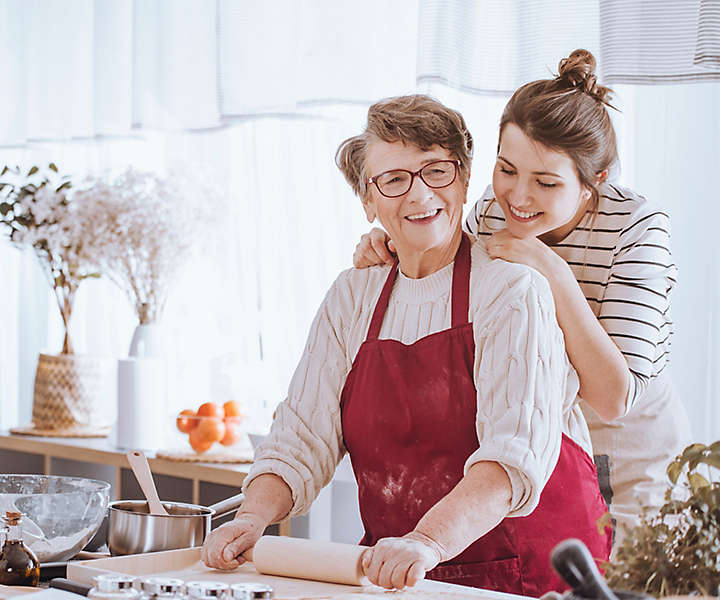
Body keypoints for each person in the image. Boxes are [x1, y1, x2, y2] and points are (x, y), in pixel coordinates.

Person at [202, 94, 610, 596]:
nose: (419, 196)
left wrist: (426, 540)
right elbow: (301, 438)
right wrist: (253, 516)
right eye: (394, 180)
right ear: (369, 201)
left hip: (524, 575)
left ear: (463, 180)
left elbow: (512, 456)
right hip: (400, 573)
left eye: (436, 171)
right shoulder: (352, 296)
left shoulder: (512, 290)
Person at [353, 49, 692, 541]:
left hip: (626, 447)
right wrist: (393, 243)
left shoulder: (636, 228)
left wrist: (552, 271)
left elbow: (613, 398)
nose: (517, 196)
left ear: (594, 182)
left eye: (546, 182)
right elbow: (451, 279)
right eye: (507, 169)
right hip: (540, 439)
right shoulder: (493, 211)